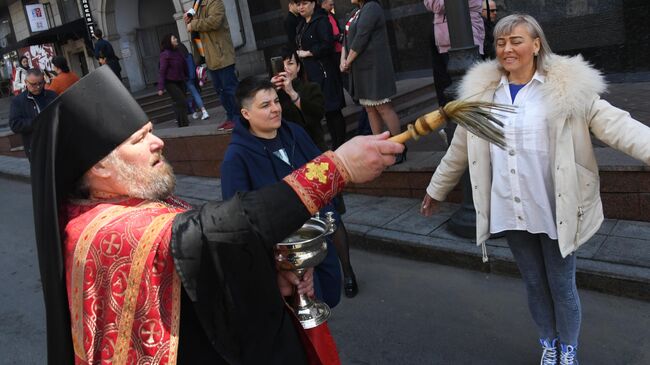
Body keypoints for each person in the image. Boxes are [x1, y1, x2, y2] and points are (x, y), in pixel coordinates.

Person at [29, 66, 403, 364]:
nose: (158, 141)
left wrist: (270, 279)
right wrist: (336, 169)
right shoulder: (104, 230)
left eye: (150, 131)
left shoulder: (123, 201)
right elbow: (210, 234)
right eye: (139, 139)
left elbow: (191, 277)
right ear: (101, 170)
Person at [420, 14, 650, 365]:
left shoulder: (566, 88)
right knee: (533, 283)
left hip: (554, 205)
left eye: (516, 40)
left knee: (561, 285)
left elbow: (617, 125)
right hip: (511, 207)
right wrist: (436, 189)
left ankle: (568, 348)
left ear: (536, 44)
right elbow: (459, 149)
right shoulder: (481, 96)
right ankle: (549, 342)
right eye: (500, 42)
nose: (507, 49)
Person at [221, 76, 344, 308]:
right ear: (245, 113)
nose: (276, 109)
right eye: (265, 105)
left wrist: (331, 216)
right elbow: (238, 222)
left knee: (326, 304)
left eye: (276, 101)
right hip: (283, 262)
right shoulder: (236, 158)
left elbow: (322, 174)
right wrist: (280, 266)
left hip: (318, 243)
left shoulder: (295, 133)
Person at [272, 51, 360, 297]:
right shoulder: (272, 97)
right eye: (281, 64)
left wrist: (291, 92)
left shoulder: (309, 89)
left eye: (290, 63)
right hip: (289, 166)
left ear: (298, 66)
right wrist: (271, 94)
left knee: (333, 218)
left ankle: (348, 271)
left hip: (316, 161)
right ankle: (311, 275)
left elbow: (314, 117)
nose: (286, 68)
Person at [341, 0, 403, 163]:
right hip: (360, 68)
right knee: (370, 109)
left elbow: (362, 36)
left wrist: (348, 61)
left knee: (383, 107)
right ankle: (379, 148)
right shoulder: (356, 12)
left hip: (374, 67)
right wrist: (344, 59)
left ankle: (399, 146)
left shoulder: (372, 7)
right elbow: (345, 39)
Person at [294, 0, 347, 149]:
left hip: (325, 71)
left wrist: (308, 53)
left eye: (304, 3)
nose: (301, 7)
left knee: (333, 109)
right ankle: (335, 147)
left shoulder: (322, 20)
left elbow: (327, 44)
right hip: (311, 74)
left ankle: (340, 145)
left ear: (313, 4)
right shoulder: (302, 24)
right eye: (298, 4)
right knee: (326, 111)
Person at [184, 0, 239, 131]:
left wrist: (193, 24)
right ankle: (230, 117)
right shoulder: (197, 5)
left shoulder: (215, 2)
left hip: (222, 55)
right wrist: (188, 19)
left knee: (230, 90)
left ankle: (238, 118)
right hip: (210, 57)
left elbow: (214, 21)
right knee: (220, 91)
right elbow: (194, 26)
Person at [423, 0, 484, 107]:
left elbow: (438, 5)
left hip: (466, 35)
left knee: (469, 85)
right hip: (443, 37)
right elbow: (432, 4)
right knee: (446, 83)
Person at [9, 69, 57, 161]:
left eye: (40, 83)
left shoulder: (52, 95)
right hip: (36, 148)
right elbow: (14, 124)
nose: (38, 87)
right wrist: (37, 122)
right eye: (33, 84)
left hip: (56, 143)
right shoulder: (18, 101)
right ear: (25, 82)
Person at [157, 34, 190, 128]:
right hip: (170, 82)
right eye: (174, 38)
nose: (176, 39)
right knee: (181, 100)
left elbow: (184, 65)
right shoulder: (165, 54)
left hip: (181, 80)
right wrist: (160, 87)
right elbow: (162, 71)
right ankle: (183, 124)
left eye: (175, 38)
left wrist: (187, 76)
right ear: (169, 41)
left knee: (181, 102)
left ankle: (183, 123)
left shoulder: (178, 52)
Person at [178, 41, 210, 120]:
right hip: (194, 77)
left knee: (194, 94)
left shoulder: (180, 59)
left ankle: (203, 111)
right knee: (194, 94)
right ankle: (195, 111)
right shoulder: (189, 56)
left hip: (187, 79)